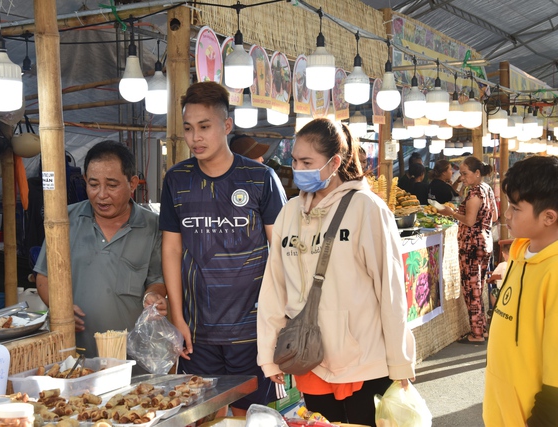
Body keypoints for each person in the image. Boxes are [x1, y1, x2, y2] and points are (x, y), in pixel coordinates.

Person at [257, 118, 416, 425]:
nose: (298, 169)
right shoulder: (289, 213)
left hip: (365, 359)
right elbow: (274, 288)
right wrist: (267, 354)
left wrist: (400, 362)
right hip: (310, 358)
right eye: (294, 160)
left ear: (334, 163)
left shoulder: (367, 208)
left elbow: (391, 288)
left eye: (307, 162)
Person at [159, 81, 287, 416]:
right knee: (204, 414)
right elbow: (171, 250)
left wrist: (281, 318)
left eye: (204, 127)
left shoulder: (261, 178)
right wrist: (177, 315)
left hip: (253, 328)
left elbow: (283, 249)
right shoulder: (176, 180)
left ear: (226, 126)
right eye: (188, 128)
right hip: (198, 331)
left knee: (252, 415)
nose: (195, 137)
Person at [35, 140, 166, 359]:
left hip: (131, 355)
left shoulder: (153, 226)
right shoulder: (64, 220)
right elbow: (43, 277)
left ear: (133, 183)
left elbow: (157, 279)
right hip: (73, 354)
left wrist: (153, 295)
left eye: (112, 185)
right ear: (85, 180)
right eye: (93, 184)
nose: (101, 194)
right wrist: (60, 308)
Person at [483, 155, 558, 426]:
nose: (506, 214)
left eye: (515, 208)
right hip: (500, 408)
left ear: (549, 217)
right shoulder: (517, 253)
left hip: (531, 416)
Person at [438, 156, 497, 343]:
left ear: (477, 173)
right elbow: (494, 215)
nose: (461, 178)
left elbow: (470, 221)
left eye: (465, 174)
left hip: (471, 245)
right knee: (478, 287)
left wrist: (452, 213)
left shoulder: (474, 193)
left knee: (472, 289)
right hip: (484, 242)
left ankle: (477, 334)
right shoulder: (486, 189)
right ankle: (482, 329)